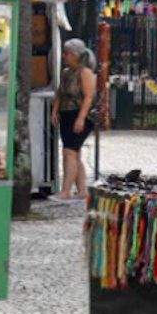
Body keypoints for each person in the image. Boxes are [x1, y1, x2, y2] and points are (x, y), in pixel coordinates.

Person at [52, 38, 97, 200]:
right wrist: (55, 111)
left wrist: (81, 118)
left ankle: (65, 191)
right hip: (66, 114)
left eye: (67, 53)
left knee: (69, 152)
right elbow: (60, 93)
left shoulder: (85, 73)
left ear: (75, 55)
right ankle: (82, 190)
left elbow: (88, 97)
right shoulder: (66, 72)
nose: (64, 56)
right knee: (74, 153)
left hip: (79, 114)